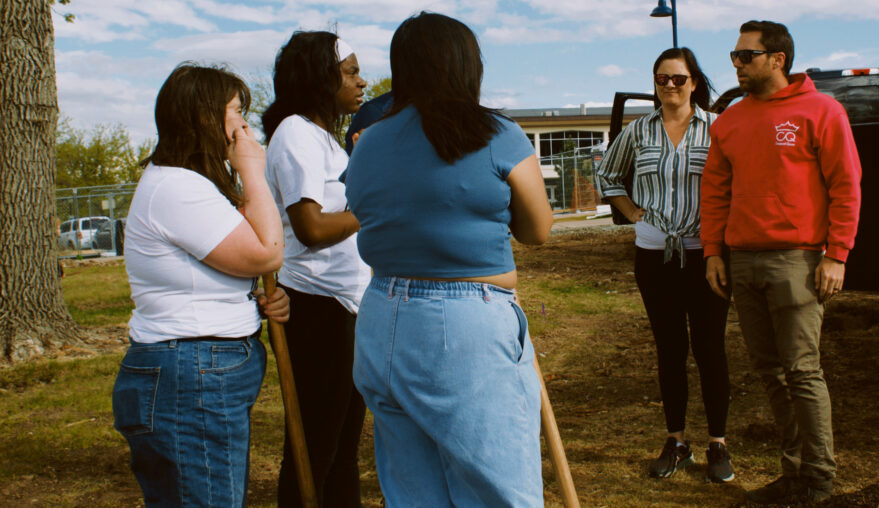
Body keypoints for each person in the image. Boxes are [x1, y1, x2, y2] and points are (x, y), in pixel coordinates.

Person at [343, 12, 553, 507]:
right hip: (462, 325)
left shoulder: (368, 142)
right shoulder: (495, 132)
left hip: (380, 319)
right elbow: (538, 230)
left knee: (414, 493)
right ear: (467, 66)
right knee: (498, 491)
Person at [112, 63, 288, 507]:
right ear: (205, 118)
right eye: (236, 111)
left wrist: (252, 300)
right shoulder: (178, 187)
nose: (245, 125)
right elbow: (267, 253)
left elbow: (238, 259)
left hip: (196, 367)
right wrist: (253, 171)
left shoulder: (192, 184)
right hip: (190, 374)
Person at [700, 20, 862, 504]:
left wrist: (837, 254)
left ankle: (819, 480)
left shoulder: (821, 110)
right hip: (742, 261)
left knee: (802, 371)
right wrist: (713, 252)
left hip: (798, 260)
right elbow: (715, 192)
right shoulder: (729, 121)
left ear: (777, 59)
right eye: (734, 56)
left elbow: (846, 185)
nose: (736, 64)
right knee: (769, 372)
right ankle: (793, 474)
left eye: (745, 55)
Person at [597, 47, 734, 483]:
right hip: (654, 255)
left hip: (707, 254)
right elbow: (607, 176)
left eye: (678, 78)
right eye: (662, 79)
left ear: (694, 82)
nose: (670, 86)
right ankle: (676, 442)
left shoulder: (718, 127)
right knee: (670, 350)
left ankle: (718, 444)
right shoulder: (639, 131)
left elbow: (738, 180)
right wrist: (632, 212)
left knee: (710, 349)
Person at [261, 31, 372, 507]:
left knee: (344, 449)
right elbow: (310, 227)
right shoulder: (295, 133)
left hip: (345, 305)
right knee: (315, 449)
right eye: (350, 72)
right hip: (315, 307)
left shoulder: (326, 139)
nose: (362, 82)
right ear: (319, 78)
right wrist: (372, 207)